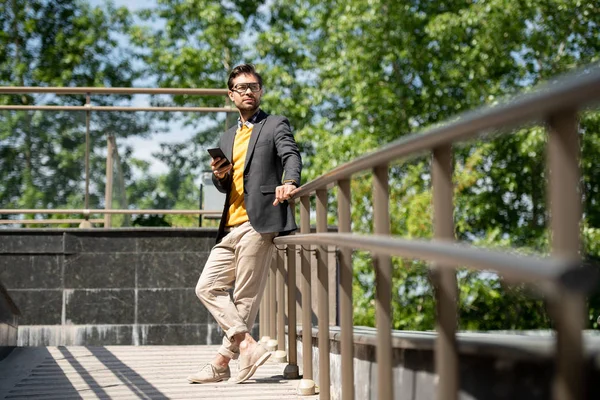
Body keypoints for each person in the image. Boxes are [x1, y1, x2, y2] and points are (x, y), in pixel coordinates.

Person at [187, 64, 302, 384]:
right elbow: (225, 187)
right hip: (230, 225)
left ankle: (220, 363)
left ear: (261, 92)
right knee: (206, 286)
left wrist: (289, 181)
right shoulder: (227, 136)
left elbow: (291, 155)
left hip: (261, 219)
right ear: (231, 95)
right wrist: (219, 175)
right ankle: (245, 347)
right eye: (241, 88)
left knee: (246, 297)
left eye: (253, 87)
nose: (247, 92)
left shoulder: (275, 124)